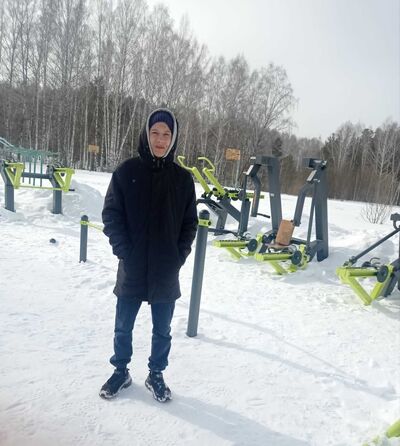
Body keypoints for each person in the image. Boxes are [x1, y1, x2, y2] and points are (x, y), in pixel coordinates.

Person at [99, 108, 198, 402]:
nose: (160, 139)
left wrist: (178, 256)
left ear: (173, 138)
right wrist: (124, 251)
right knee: (123, 326)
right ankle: (121, 371)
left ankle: (156, 374)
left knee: (163, 330)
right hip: (132, 266)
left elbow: (189, 224)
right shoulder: (126, 172)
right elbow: (111, 214)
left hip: (165, 270)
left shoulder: (182, 180)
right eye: (155, 132)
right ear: (146, 134)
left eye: (166, 134)